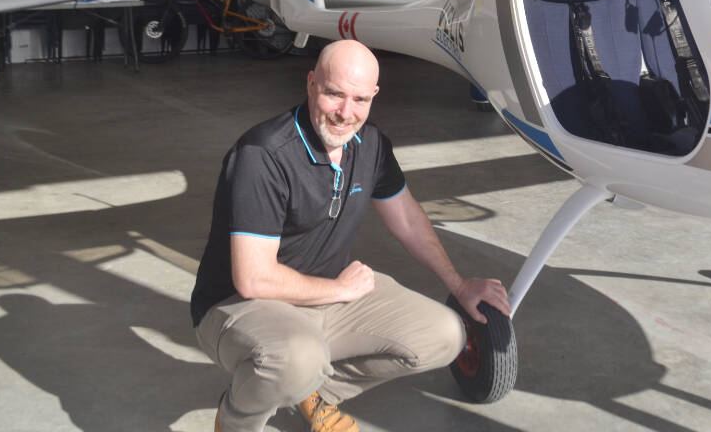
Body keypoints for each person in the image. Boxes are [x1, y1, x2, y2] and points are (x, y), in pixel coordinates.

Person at [190, 39, 511, 432]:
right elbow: (253, 278)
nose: (345, 113)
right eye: (334, 94)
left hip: (326, 293)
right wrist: (339, 291)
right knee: (297, 357)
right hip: (241, 305)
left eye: (360, 99)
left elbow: (407, 220)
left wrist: (458, 285)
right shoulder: (264, 153)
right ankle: (237, 420)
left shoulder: (371, 144)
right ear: (311, 84)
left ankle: (315, 394)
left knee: (444, 335)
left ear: (374, 96)